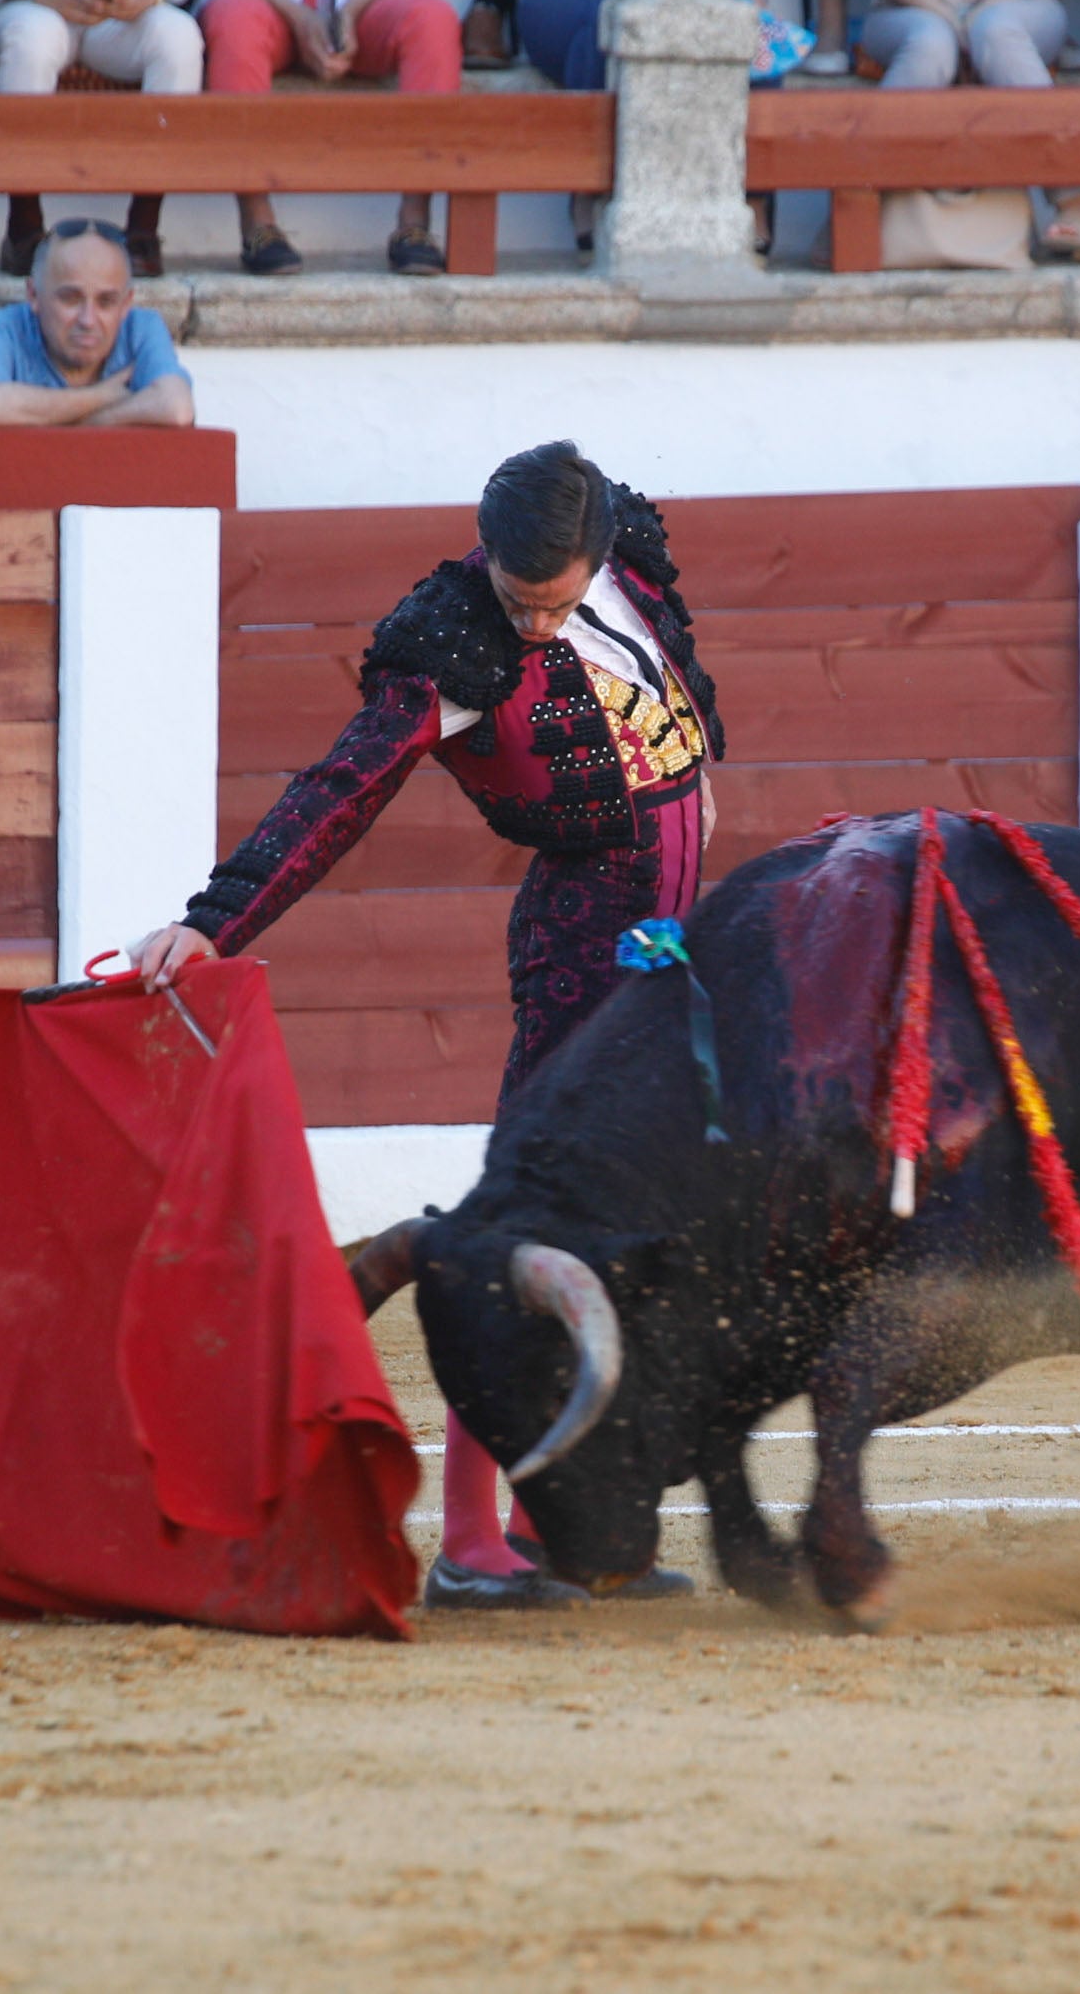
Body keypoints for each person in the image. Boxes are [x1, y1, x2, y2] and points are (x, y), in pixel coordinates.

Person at [128, 442, 718, 1610]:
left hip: (671, 946)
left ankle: (571, 1524)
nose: (536, 628)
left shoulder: (628, 560)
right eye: (517, 601)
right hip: (583, 942)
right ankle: (470, 1541)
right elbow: (336, 793)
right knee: (523, 1227)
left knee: (635, 1226)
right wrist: (215, 923)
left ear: (595, 555)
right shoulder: (453, 645)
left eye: (553, 602)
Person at [201, 0, 463, 274]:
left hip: (361, 10)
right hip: (267, 4)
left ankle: (415, 222)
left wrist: (348, 14)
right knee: (234, 15)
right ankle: (257, 222)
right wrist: (299, 17)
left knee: (432, 18)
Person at [0, 0, 203, 278]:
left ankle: (144, 227)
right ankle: (23, 226)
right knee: (32, 38)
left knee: (178, 37)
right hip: (24, 5)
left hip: (117, 14)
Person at [860, 0, 1080, 262]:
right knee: (930, 44)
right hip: (905, 7)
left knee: (995, 31)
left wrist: (977, 16)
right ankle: (857, 198)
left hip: (1020, 2)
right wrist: (944, 15)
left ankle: (1072, 203)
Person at [0, 220, 195, 427]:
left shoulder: (142, 327)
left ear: (126, 304)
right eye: (70, 299)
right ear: (33, 295)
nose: (87, 320)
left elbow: (176, 407)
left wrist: (84, 421)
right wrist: (102, 396)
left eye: (106, 302)